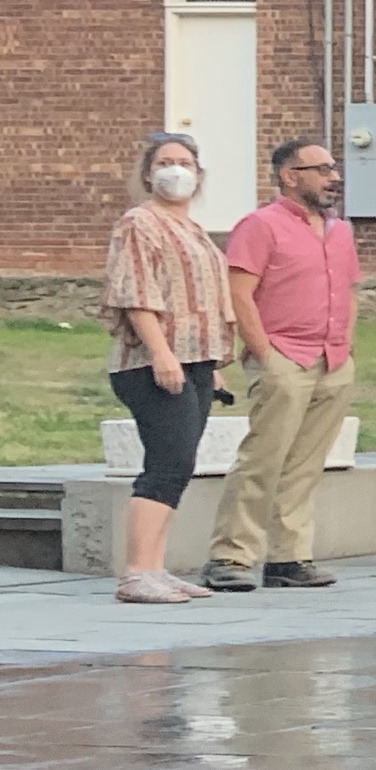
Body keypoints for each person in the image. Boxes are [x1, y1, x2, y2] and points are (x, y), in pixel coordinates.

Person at [202, 135, 359, 593]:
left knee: (306, 464)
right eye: (322, 169)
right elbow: (239, 294)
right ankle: (230, 556)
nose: (334, 177)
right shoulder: (260, 226)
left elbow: (349, 291)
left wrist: (345, 347)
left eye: (334, 168)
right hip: (283, 357)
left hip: (332, 359)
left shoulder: (340, 230)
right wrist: (265, 355)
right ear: (290, 177)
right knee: (263, 459)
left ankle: (289, 557)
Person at [102, 133, 234, 606]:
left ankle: (156, 567)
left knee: (181, 465)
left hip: (195, 361)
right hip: (152, 362)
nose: (175, 170)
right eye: (164, 162)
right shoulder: (139, 223)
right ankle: (136, 572)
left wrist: (210, 363)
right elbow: (137, 293)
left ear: (199, 174)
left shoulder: (194, 229)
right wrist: (162, 353)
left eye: (184, 162)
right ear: (147, 173)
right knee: (166, 462)